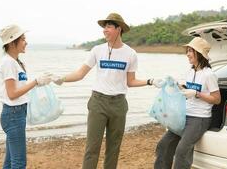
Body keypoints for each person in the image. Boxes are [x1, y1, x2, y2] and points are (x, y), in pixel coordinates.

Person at [53, 13, 162, 169]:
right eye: (104, 27)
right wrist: (61, 79)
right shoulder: (97, 50)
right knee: (92, 148)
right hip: (98, 102)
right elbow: (80, 73)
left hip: (118, 104)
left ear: (119, 29)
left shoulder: (130, 54)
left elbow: (130, 82)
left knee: (114, 149)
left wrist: (150, 81)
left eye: (108, 26)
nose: (105, 30)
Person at [154, 37, 221, 169]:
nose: (188, 54)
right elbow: (186, 90)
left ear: (200, 54)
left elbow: (217, 99)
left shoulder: (209, 75)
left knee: (181, 152)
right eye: (188, 50)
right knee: (163, 145)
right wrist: (173, 83)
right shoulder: (190, 71)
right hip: (184, 115)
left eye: (191, 51)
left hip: (199, 119)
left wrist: (197, 94)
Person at [0, 24, 52, 169]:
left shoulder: (16, 62)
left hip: (17, 113)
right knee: (19, 163)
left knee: (10, 162)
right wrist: (35, 82)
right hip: (13, 115)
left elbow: (20, 89)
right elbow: (12, 95)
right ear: (11, 42)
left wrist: (39, 83)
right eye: (22, 39)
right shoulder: (8, 63)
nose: (26, 42)